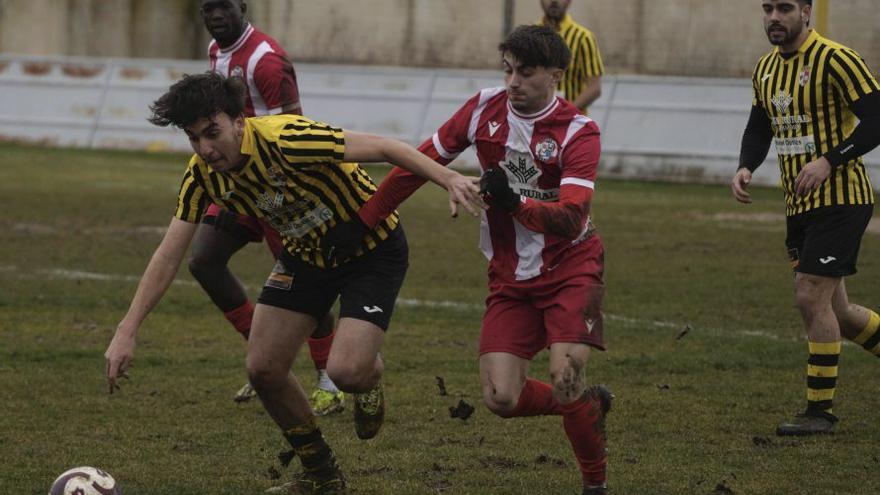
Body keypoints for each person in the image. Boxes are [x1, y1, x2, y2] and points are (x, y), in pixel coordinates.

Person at [104, 72, 483, 493]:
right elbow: (168, 255)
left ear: (239, 122)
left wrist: (448, 178)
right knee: (263, 368)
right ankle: (322, 475)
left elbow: (386, 147)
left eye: (212, 133)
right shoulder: (202, 177)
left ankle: (369, 378)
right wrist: (127, 329)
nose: (206, 149)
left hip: (371, 249)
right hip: (306, 255)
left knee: (347, 372)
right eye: (194, 138)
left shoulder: (288, 138)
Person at [346, 25, 613, 495]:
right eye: (508, 70)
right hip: (510, 274)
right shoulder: (483, 108)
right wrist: (364, 222)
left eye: (525, 73)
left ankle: (595, 482)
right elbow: (416, 164)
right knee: (500, 397)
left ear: (555, 75)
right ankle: (584, 407)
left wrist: (514, 203)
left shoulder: (578, 131)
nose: (513, 82)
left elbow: (572, 218)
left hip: (572, 267)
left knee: (565, 373)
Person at [732, 0, 880, 436]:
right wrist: (746, 165)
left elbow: (876, 118)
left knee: (809, 296)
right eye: (768, 8)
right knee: (840, 312)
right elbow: (759, 126)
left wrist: (830, 160)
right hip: (799, 207)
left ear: (806, 12)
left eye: (785, 8)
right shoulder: (765, 69)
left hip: (842, 200)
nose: (774, 17)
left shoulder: (837, 59)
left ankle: (820, 413)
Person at [198, 0, 343, 413]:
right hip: (240, 184)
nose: (216, 14)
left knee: (306, 283)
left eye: (224, 5)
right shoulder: (215, 50)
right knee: (205, 261)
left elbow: (296, 127)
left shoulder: (266, 59)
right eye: (208, 7)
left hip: (278, 189)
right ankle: (268, 360)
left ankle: (330, 380)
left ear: (242, 6)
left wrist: (291, 189)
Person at [538, 0, 604, 114]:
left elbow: (594, 88)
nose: (554, 1)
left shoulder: (583, 37)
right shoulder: (529, 36)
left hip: (570, 121)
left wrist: (565, 113)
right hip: (534, 118)